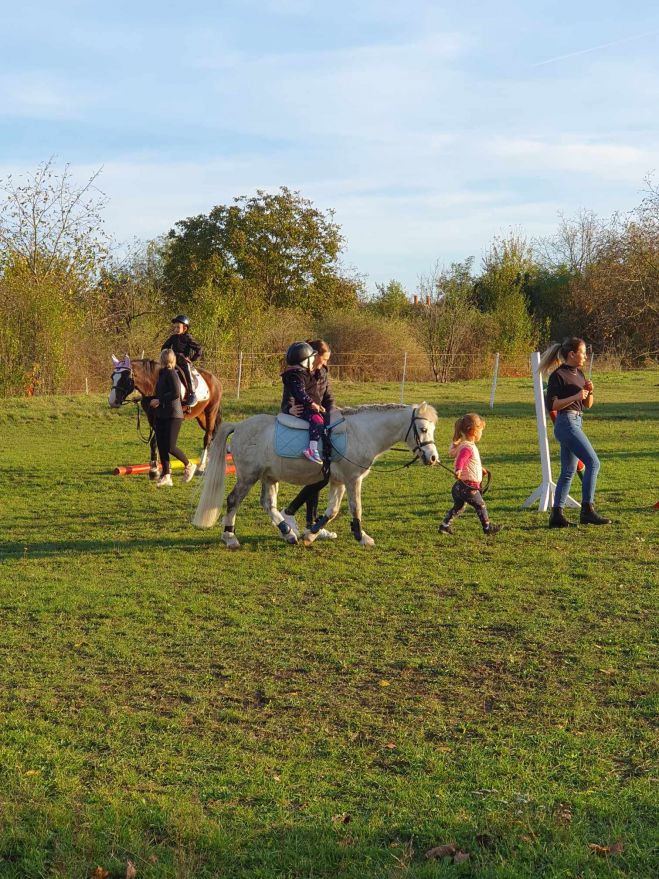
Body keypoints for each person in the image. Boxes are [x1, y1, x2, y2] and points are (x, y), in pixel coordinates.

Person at [540, 337, 610, 527]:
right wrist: (576, 396)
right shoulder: (558, 375)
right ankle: (587, 510)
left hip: (577, 421)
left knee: (568, 471)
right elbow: (552, 405)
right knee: (593, 463)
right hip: (566, 422)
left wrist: (590, 391)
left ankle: (556, 516)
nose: (585, 357)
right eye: (583, 352)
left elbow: (587, 404)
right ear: (572, 354)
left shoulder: (579, 373)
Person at [280, 339, 337, 540]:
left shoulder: (322, 372)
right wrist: (289, 409)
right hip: (301, 419)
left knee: (322, 473)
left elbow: (328, 397)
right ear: (312, 356)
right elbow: (289, 397)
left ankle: (310, 524)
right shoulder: (297, 373)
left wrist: (331, 416)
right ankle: (293, 514)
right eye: (322, 360)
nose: (324, 364)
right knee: (321, 474)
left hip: (320, 420)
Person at [439, 413, 502, 536]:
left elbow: (469, 461)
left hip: (459, 487)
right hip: (468, 487)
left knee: (459, 507)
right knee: (481, 505)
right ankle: (487, 528)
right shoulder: (467, 447)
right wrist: (458, 470)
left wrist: (480, 468)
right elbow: (462, 459)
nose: (481, 434)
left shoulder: (464, 445)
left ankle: (444, 525)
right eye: (481, 431)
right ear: (473, 431)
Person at [149, 349, 196, 487]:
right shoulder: (162, 374)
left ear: (163, 359)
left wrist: (159, 400)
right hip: (162, 414)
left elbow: (176, 393)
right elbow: (161, 393)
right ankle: (167, 475)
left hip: (173, 415)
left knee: (170, 446)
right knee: (162, 446)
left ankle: (189, 465)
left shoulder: (171, 373)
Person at [280, 340, 326, 464]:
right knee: (317, 421)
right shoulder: (295, 376)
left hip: (313, 407)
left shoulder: (306, 374)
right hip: (304, 409)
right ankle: (311, 450)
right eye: (312, 358)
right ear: (305, 361)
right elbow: (299, 393)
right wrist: (312, 404)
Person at [161, 314, 203, 407]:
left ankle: (192, 394)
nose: (175, 329)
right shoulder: (173, 337)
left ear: (185, 328)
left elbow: (199, 348)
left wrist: (191, 359)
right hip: (172, 362)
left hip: (183, 362)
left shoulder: (188, 337)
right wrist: (167, 354)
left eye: (178, 327)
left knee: (187, 373)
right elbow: (164, 347)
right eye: (174, 327)